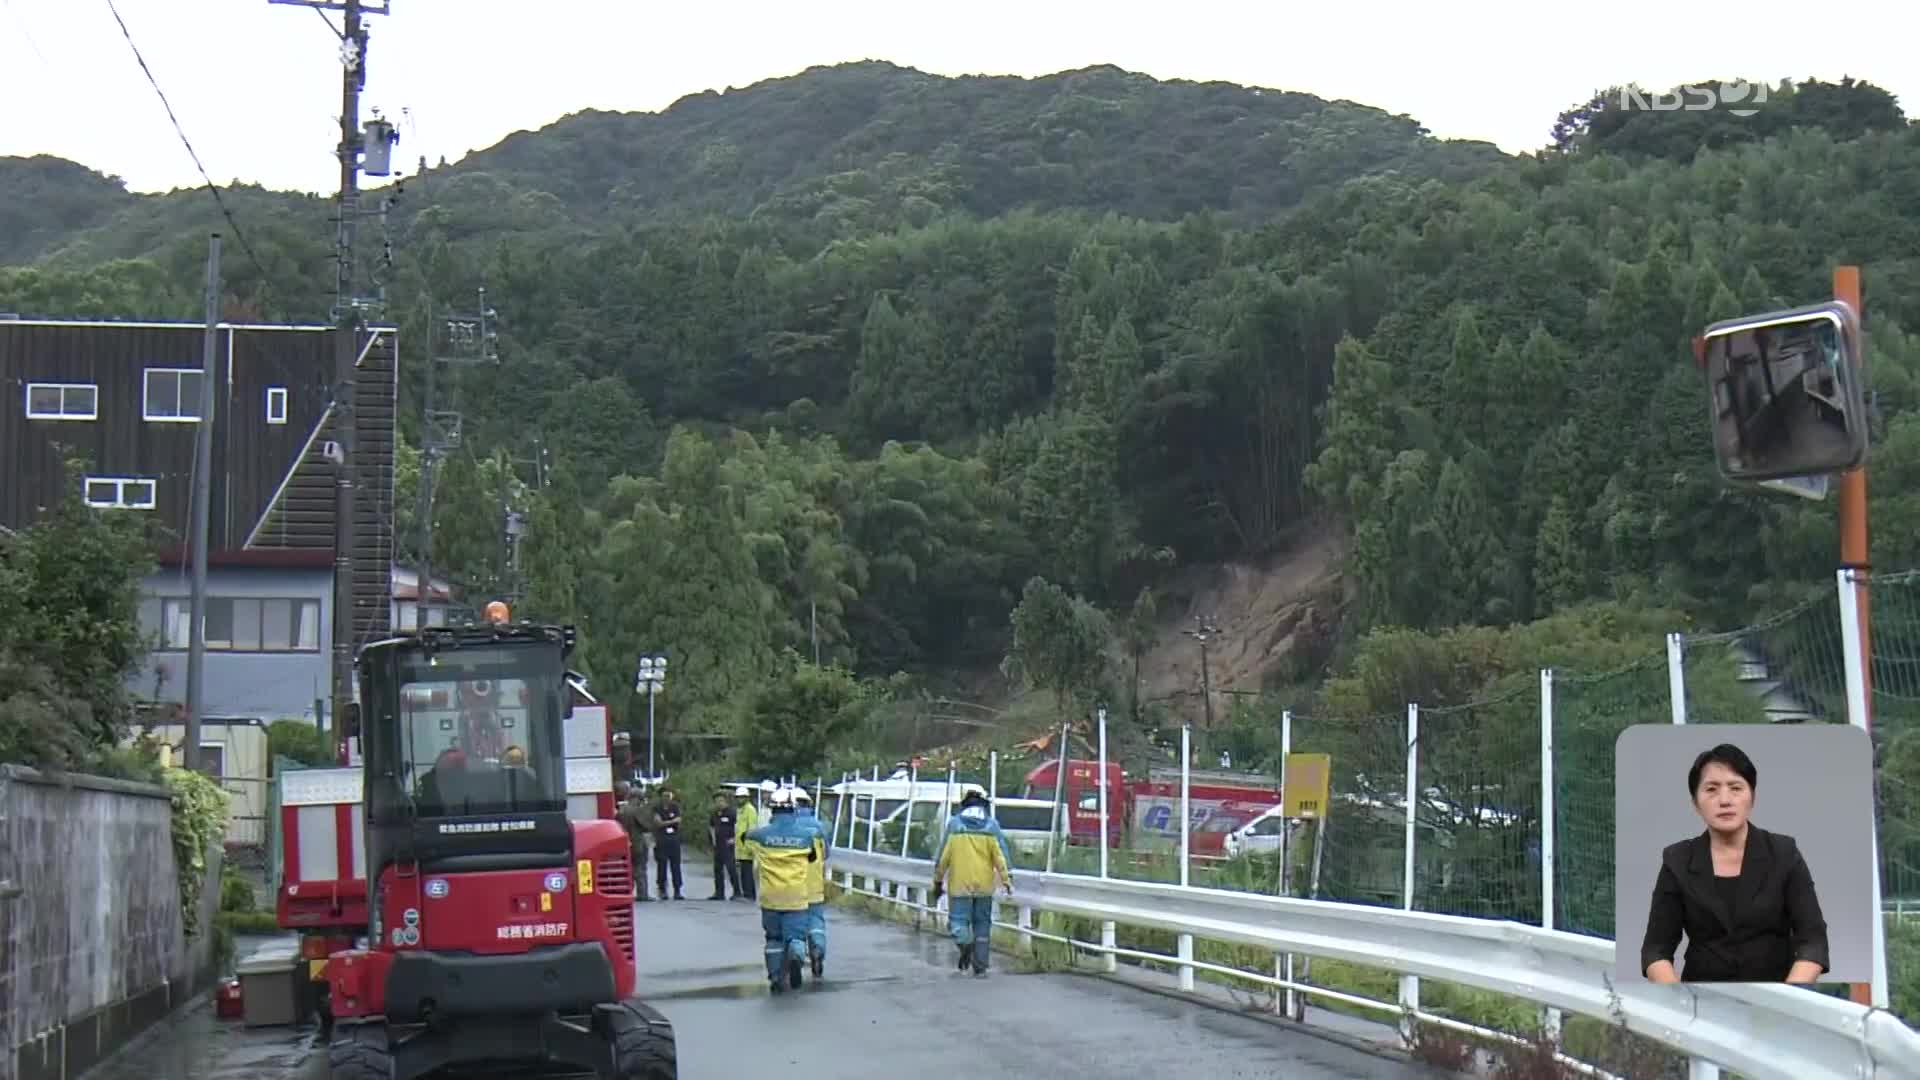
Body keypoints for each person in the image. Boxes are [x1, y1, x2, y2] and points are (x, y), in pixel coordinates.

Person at [1639, 742, 1830, 984]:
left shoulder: (1783, 853)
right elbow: (1656, 949)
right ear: (1695, 803)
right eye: (1711, 789)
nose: (1724, 800)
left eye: (1736, 788)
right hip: (1702, 1000)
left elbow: (1813, 940)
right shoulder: (1677, 860)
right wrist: (1681, 1002)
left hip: (1778, 998)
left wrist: (1789, 998)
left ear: (1752, 797)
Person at [743, 787, 819, 993]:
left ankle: (776, 976)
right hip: (797, 896)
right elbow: (812, 857)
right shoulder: (805, 836)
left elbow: (745, 837)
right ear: (793, 809)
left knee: (774, 938)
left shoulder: (760, 835)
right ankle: (796, 953)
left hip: (770, 897)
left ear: (772, 810)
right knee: (796, 936)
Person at [930, 790, 1013, 977]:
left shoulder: (954, 825)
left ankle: (966, 943)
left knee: (957, 922)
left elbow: (943, 857)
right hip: (984, 886)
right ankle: (981, 966)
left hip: (960, 885)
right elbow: (1001, 856)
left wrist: (937, 881)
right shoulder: (992, 826)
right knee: (982, 925)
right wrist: (1007, 879)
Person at [793, 787, 831, 975]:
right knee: (816, 922)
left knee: (795, 924)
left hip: (792, 884)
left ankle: (796, 955)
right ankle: (817, 950)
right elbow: (826, 854)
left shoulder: (789, 828)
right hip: (815, 885)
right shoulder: (819, 827)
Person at [614, 783, 654, 901]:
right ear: (637, 798)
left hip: (624, 843)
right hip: (638, 843)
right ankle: (643, 894)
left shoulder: (621, 811)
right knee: (640, 868)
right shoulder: (637, 811)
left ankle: (627, 892)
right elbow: (646, 826)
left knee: (627, 869)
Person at [652, 787, 685, 900]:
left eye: (669, 795)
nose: (667, 798)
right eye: (665, 796)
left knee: (676, 865)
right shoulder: (657, 808)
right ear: (661, 797)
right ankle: (662, 889)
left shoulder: (675, 807)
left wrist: (667, 822)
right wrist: (671, 822)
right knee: (662, 865)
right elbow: (658, 823)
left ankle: (677, 890)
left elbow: (679, 821)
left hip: (674, 839)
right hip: (662, 839)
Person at [709, 790, 742, 900]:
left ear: (726, 801)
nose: (719, 803)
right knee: (717, 869)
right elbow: (712, 826)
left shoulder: (732, 812)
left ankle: (737, 892)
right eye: (717, 801)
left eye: (721, 801)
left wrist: (734, 838)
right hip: (718, 844)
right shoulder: (714, 813)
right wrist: (713, 839)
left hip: (728, 844)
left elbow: (738, 826)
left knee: (731, 868)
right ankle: (719, 893)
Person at [733, 785, 758, 901]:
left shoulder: (750, 810)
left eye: (742, 797)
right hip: (739, 845)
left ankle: (750, 894)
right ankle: (745, 893)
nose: (739, 799)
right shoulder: (739, 810)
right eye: (738, 797)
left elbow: (751, 828)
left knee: (747, 872)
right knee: (743, 872)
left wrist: (750, 846)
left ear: (747, 798)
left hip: (747, 845)